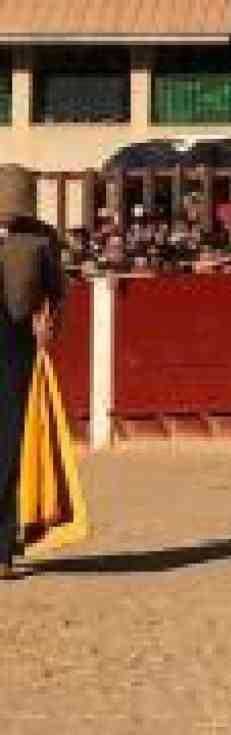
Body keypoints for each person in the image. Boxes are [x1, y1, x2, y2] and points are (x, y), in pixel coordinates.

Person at [0, 165, 65, 580]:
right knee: (5, 443)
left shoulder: (39, 241)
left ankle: (2, 547)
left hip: (13, 344)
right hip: (13, 344)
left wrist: (47, 318)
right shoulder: (39, 240)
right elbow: (54, 294)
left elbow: (53, 296)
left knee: (6, 443)